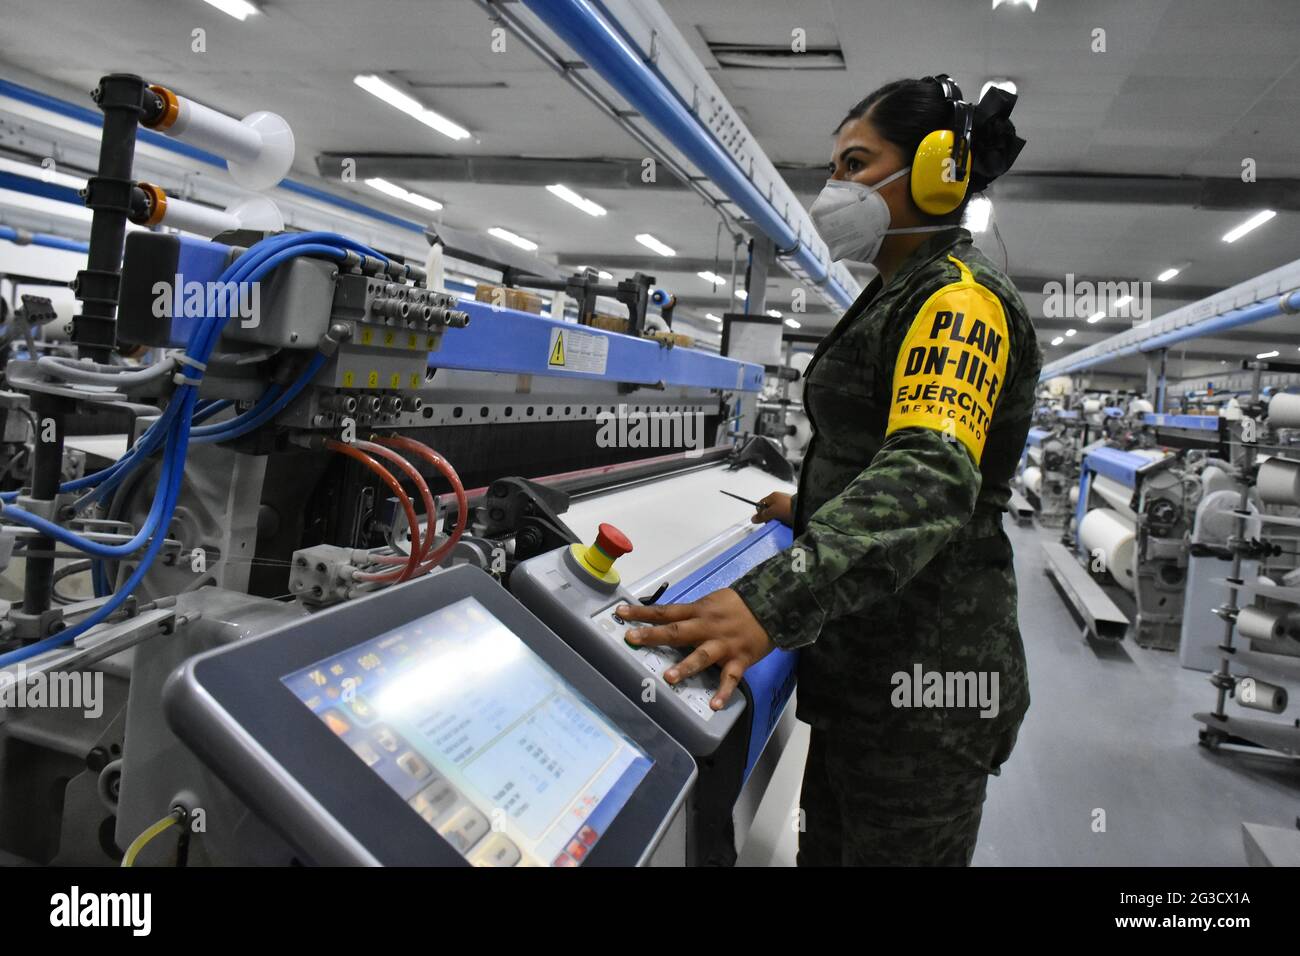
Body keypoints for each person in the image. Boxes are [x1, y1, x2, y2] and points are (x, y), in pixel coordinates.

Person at [614, 75, 1039, 866]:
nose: (835, 187)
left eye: (854, 163)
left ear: (934, 171)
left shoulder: (958, 303)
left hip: (925, 694)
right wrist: (813, 502)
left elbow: (930, 474)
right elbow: (884, 444)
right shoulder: (899, 291)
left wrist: (769, 601)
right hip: (868, 670)